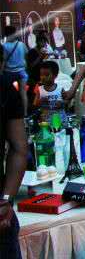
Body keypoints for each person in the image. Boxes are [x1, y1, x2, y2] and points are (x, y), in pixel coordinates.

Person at [0, 50, 26, 259]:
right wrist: (6, 199)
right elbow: (18, 148)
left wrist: (6, 200)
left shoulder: (6, 89)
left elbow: (19, 148)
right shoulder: (6, 88)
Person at [2, 26, 29, 114]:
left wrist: (1, 72)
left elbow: (3, 60)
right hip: (22, 72)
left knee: (8, 93)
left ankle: (10, 112)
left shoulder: (4, 46)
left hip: (9, 73)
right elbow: (26, 56)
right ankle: (25, 113)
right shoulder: (21, 44)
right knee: (23, 93)